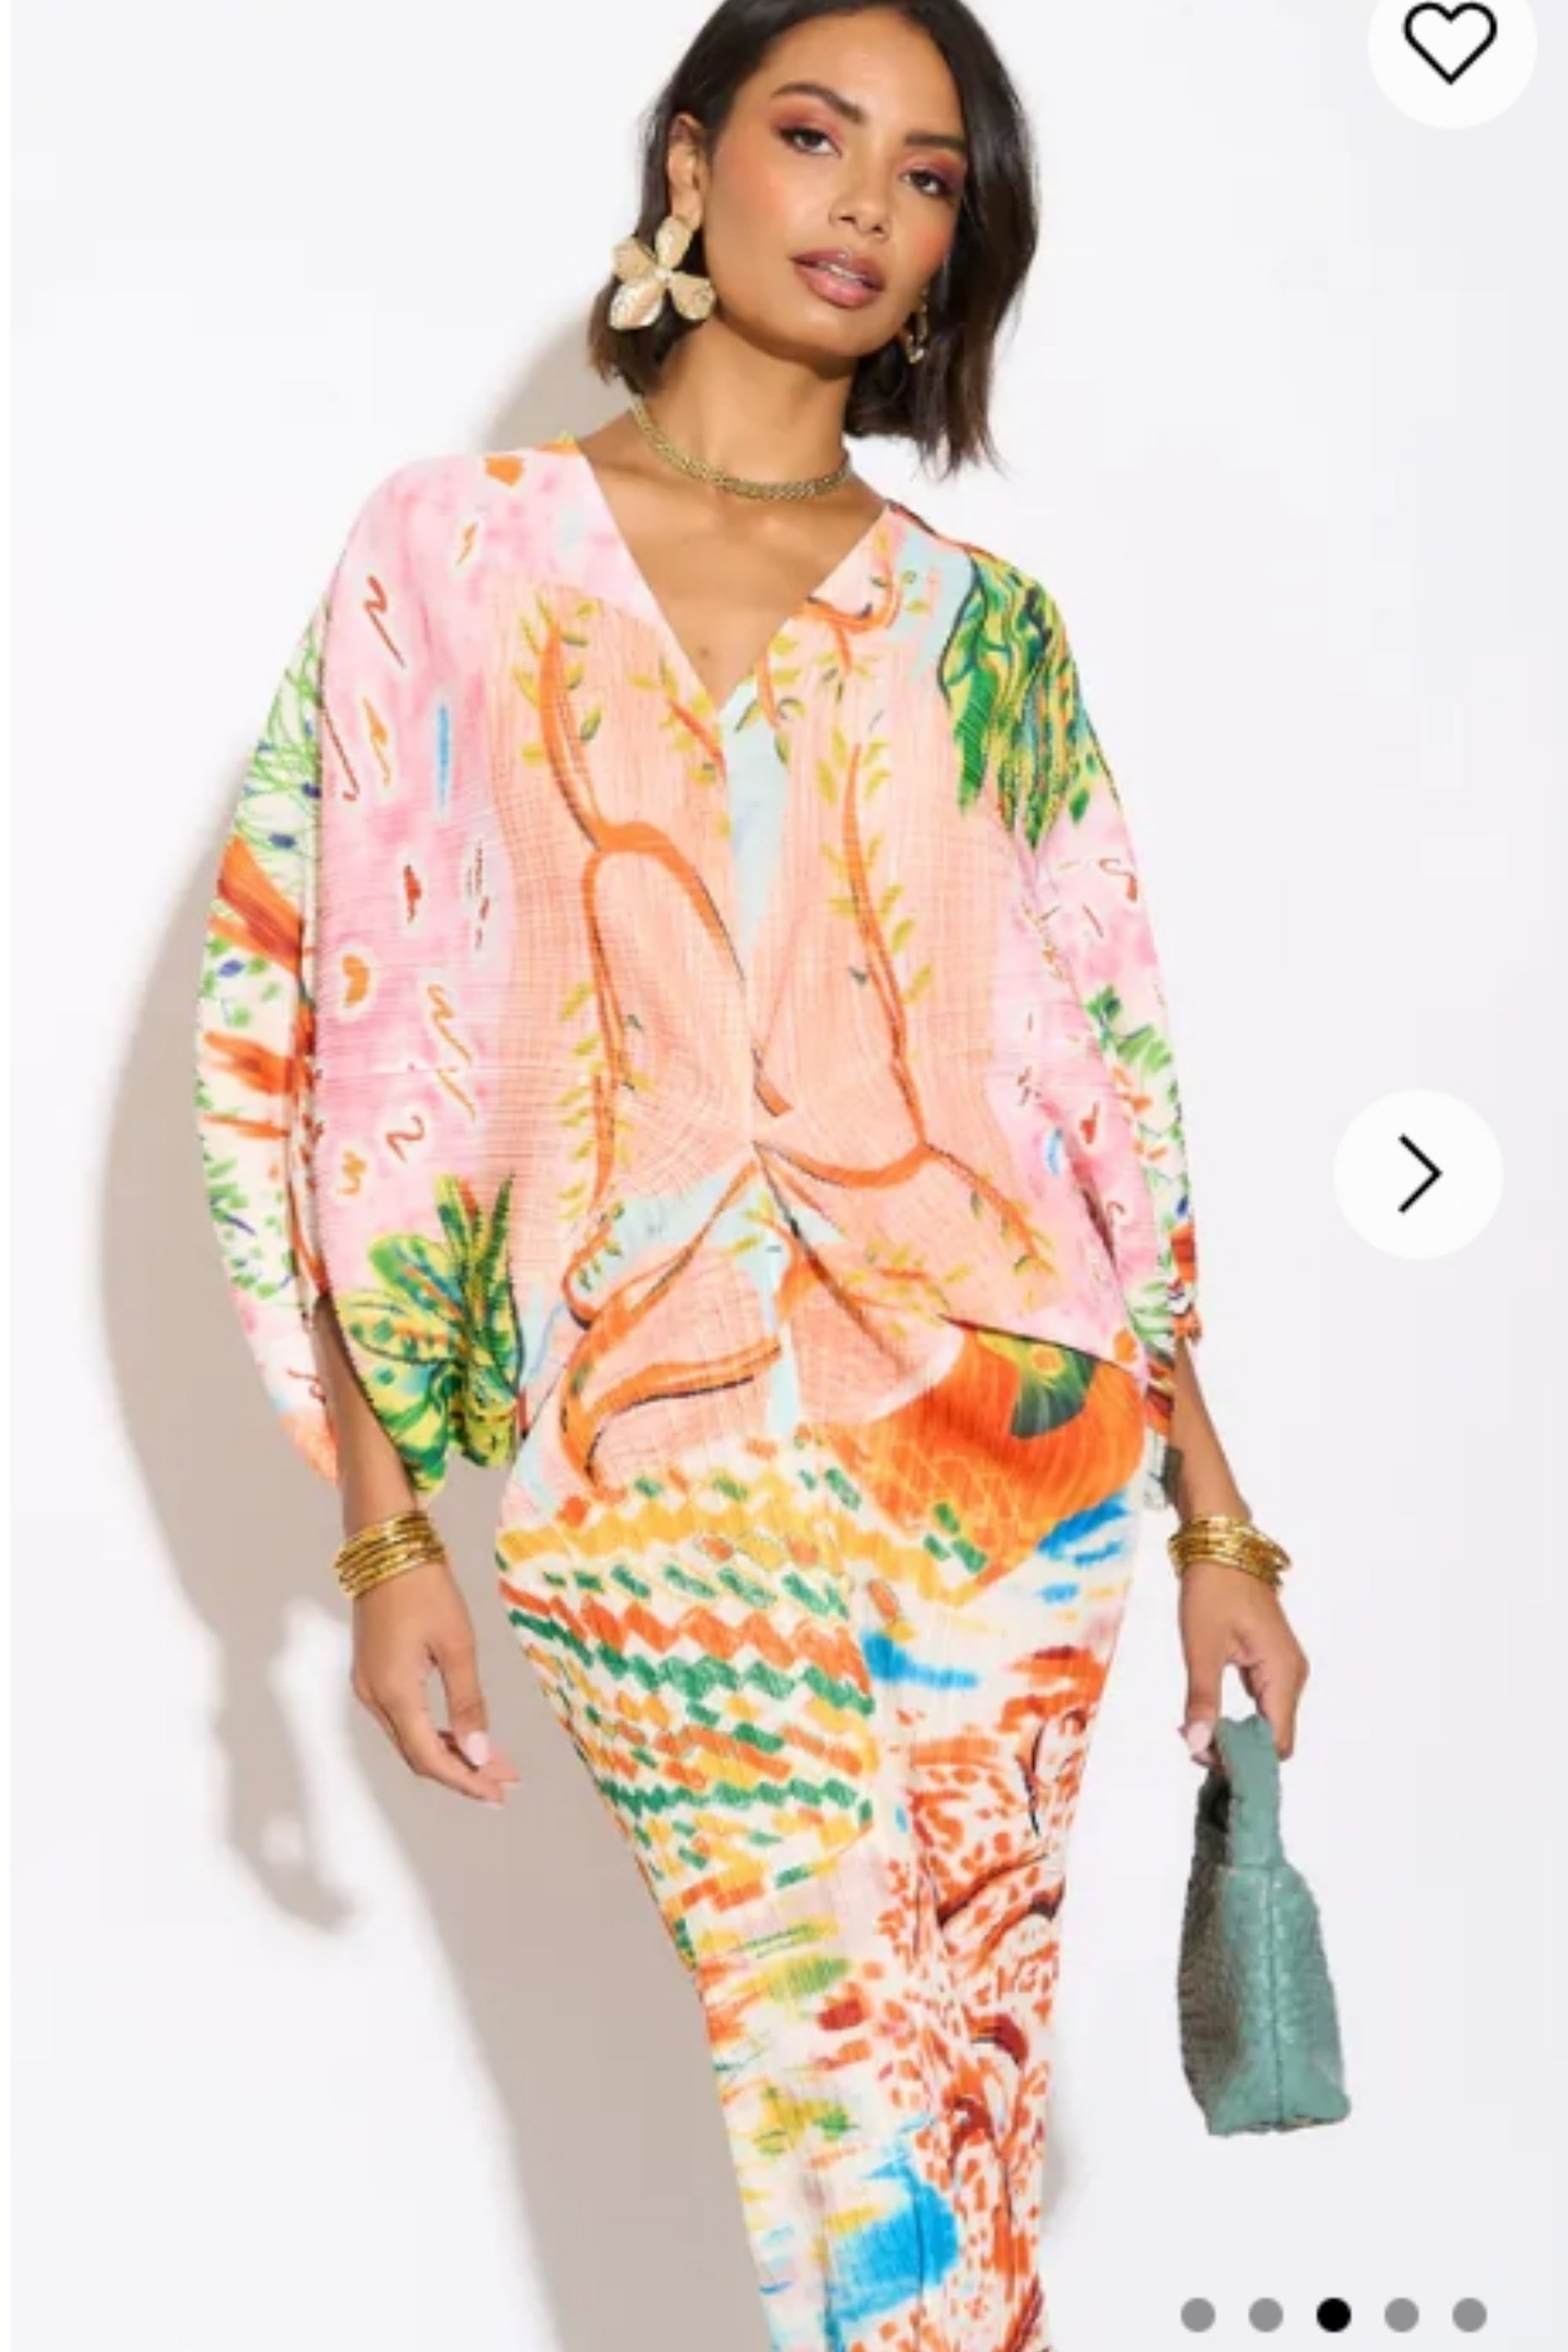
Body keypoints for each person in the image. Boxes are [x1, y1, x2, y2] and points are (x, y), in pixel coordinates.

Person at [193, 2, 1310, 2345]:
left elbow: (1098, 1089)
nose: (868, 203)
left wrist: (1218, 1520)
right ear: (694, 166)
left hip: (1008, 1458)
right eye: (818, 135)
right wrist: (385, 1530)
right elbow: (332, 1046)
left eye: (930, 175)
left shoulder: (987, 630)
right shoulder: (451, 553)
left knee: (949, 2120)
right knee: (839, 2103)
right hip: (648, 1454)